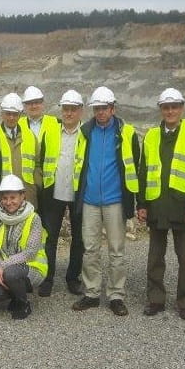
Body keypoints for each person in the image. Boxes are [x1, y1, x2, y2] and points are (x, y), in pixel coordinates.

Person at [137, 89, 185, 320]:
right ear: (161, 109)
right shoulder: (151, 136)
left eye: (174, 107)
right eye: (166, 107)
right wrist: (142, 204)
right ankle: (155, 299)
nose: (170, 111)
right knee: (155, 257)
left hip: (183, 208)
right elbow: (143, 172)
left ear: (182, 108)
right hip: (157, 206)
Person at [73, 86, 140, 316]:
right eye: (97, 108)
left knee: (116, 251)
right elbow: (80, 166)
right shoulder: (85, 132)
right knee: (90, 249)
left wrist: (134, 201)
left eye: (104, 108)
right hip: (90, 200)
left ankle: (116, 295)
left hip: (115, 200)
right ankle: (91, 293)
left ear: (113, 108)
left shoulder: (126, 133)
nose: (100, 112)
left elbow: (134, 167)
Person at [37, 89, 87, 297]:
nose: (68, 113)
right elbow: (42, 161)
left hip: (78, 193)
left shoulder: (87, 134)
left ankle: (72, 278)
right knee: (50, 238)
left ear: (81, 111)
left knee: (79, 239)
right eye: (65, 109)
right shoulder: (51, 133)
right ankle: (47, 278)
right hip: (53, 192)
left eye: (73, 109)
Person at [0, 175, 48, 320]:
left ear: (22, 196)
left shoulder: (33, 218)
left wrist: (2, 267)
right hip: (6, 268)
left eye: (13, 197)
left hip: (32, 267)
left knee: (11, 274)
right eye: (4, 198)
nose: (8, 202)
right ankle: (15, 293)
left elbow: (30, 253)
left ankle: (23, 303)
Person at [0, 93, 41, 210]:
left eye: (15, 114)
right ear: (2, 113)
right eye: (8, 114)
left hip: (27, 194)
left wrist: (36, 185)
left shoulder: (30, 135)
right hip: (3, 195)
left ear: (20, 114)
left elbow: (37, 164)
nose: (11, 117)